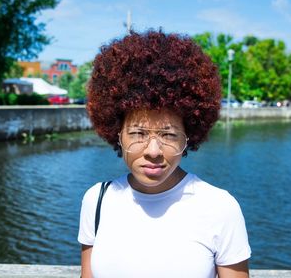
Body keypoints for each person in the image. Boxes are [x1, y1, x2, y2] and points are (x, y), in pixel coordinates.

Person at [78, 30, 251, 278]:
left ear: (189, 136)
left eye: (169, 135)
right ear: (117, 133)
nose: (153, 151)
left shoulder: (220, 208)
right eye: (138, 133)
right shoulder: (97, 201)